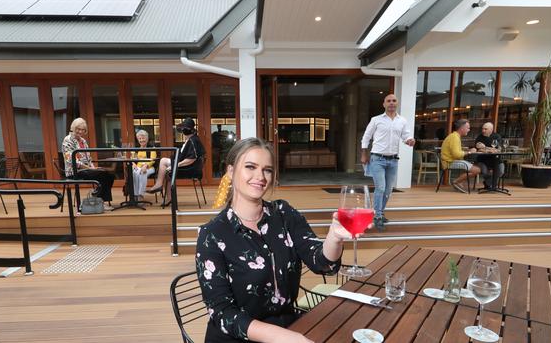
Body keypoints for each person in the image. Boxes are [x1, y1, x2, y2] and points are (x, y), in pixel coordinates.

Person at [196, 138, 361, 343]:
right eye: (250, 167)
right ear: (230, 171)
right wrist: (286, 338)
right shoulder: (212, 234)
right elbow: (223, 314)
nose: (260, 177)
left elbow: (323, 264)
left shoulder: (284, 214)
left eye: (267, 170)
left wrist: (334, 237)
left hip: (290, 326)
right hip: (239, 337)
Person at [361, 94, 415, 230]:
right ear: (383, 104)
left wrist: (409, 140)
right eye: (388, 101)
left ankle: (379, 212)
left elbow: (405, 135)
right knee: (380, 188)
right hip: (377, 159)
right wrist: (363, 153)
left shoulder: (402, 121)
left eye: (394, 101)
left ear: (397, 104)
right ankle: (378, 216)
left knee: (388, 190)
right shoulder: (376, 120)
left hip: (393, 161)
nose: (391, 103)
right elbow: (366, 137)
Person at [62, 117, 115, 211]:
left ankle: (99, 198)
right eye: (78, 129)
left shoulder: (83, 141)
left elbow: (89, 158)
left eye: (83, 130)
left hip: (86, 169)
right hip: (74, 171)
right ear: (73, 128)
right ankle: (99, 200)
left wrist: (93, 167)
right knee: (102, 174)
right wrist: (91, 169)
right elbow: (72, 161)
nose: (80, 132)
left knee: (109, 175)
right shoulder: (67, 140)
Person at [147, 117, 205, 199]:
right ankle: (169, 197)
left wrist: (176, 165)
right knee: (166, 169)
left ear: (190, 129)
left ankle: (159, 185)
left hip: (190, 169)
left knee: (163, 162)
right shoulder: (190, 139)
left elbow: (191, 159)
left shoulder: (193, 140)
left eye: (185, 128)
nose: (183, 130)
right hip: (186, 166)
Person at [441, 119, 482, 193]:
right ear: (462, 128)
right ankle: (456, 182)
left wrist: (465, 151)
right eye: (468, 128)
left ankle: (459, 182)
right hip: (449, 162)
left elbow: (456, 152)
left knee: (474, 167)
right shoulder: (454, 137)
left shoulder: (454, 136)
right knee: (477, 170)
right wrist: (469, 152)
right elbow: (456, 154)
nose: (469, 130)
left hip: (450, 161)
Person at [474, 122, 505, 189]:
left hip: (496, 160)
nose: (483, 131)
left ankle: (488, 183)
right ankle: (491, 185)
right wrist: (490, 149)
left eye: (485, 129)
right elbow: (478, 148)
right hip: (483, 160)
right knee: (485, 172)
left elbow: (498, 150)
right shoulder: (480, 137)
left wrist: (485, 147)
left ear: (491, 129)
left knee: (501, 171)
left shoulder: (497, 136)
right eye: (482, 129)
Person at [131, 130, 156, 200]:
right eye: (139, 138)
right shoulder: (136, 148)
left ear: (147, 139)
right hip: (138, 167)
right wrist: (133, 164)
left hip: (149, 167)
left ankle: (141, 195)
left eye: (143, 138)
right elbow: (132, 158)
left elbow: (153, 159)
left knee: (143, 173)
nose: (141, 140)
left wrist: (146, 166)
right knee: (134, 172)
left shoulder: (151, 147)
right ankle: (135, 194)